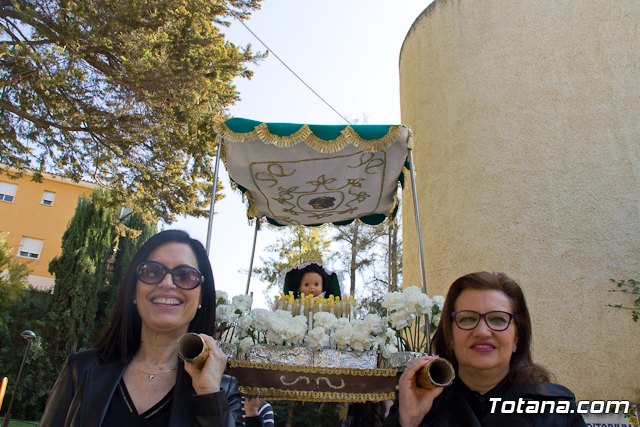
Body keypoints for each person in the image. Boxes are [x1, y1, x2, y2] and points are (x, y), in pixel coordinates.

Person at [40, 230, 244, 427]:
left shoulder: (221, 389)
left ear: (201, 297)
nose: (167, 283)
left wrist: (208, 396)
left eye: (185, 275)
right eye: (152, 271)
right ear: (134, 291)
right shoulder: (81, 369)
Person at [385, 271, 586, 427]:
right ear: (451, 336)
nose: (482, 331)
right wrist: (409, 422)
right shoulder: (419, 406)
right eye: (467, 318)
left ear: (517, 337)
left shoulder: (557, 410)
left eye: (498, 319)